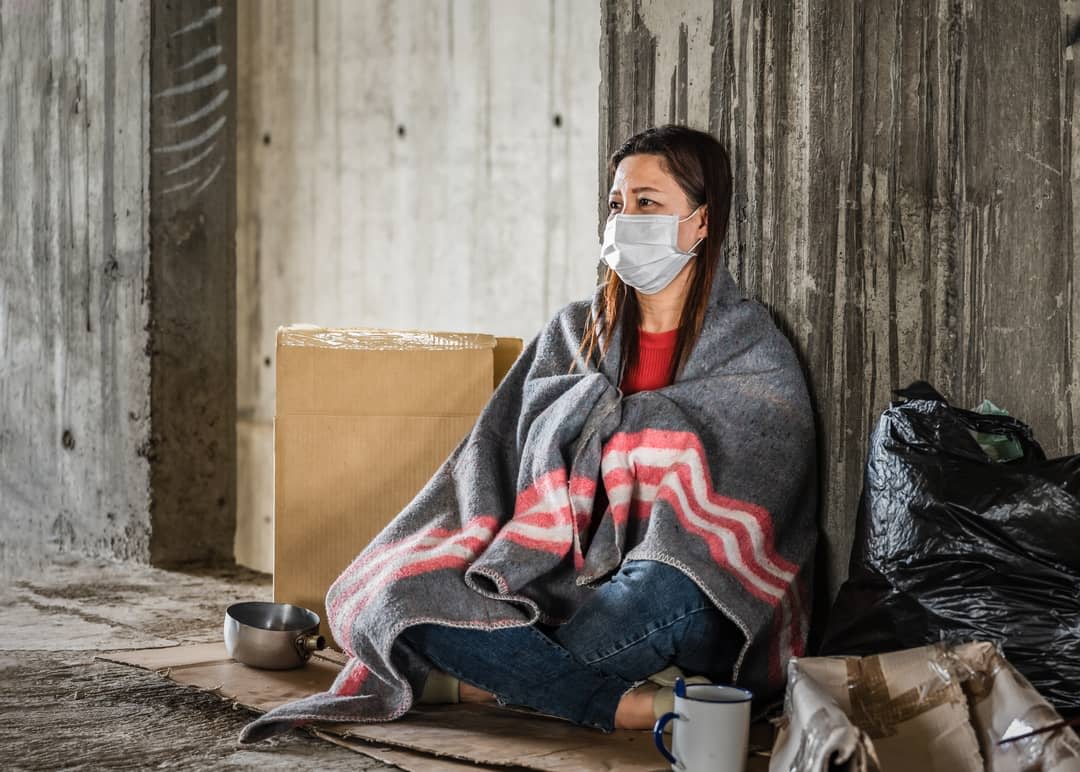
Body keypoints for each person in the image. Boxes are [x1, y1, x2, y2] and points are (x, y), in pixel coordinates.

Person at [239, 125, 816, 743]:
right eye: (618, 204)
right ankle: (634, 704)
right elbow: (491, 458)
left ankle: (471, 681)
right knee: (398, 593)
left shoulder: (751, 345)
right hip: (557, 581)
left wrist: (636, 439)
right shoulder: (573, 333)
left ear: (701, 222)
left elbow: (761, 495)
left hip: (683, 591)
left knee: (658, 587)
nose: (626, 220)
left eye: (649, 203)